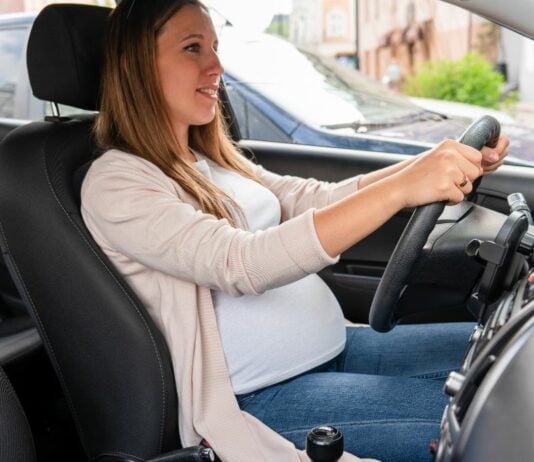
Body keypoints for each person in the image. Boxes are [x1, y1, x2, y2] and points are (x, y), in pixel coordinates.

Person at [81, 1, 509, 460]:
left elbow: (314, 200)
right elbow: (239, 263)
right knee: (501, 422)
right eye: (193, 48)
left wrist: (430, 164)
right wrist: (402, 189)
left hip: (343, 347)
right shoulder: (117, 182)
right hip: (266, 397)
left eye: (215, 47)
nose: (217, 66)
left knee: (510, 359)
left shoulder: (206, 160)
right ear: (136, 67)